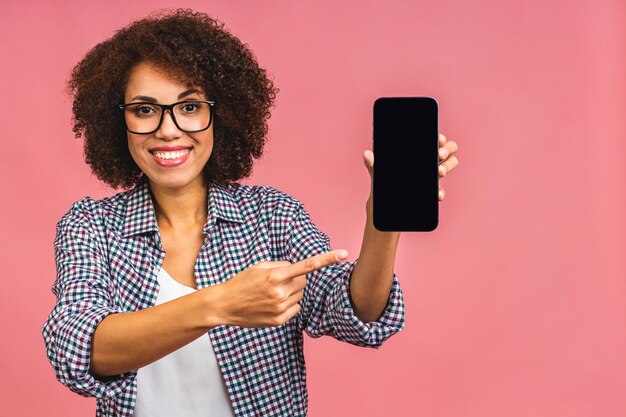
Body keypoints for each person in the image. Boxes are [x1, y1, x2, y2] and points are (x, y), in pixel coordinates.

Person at [41, 7, 459, 417]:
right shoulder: (91, 227)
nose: (168, 130)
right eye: (144, 110)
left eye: (189, 107)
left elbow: (357, 312)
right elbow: (77, 350)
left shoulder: (272, 216)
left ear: (219, 115)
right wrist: (220, 302)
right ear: (119, 122)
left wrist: (382, 219)